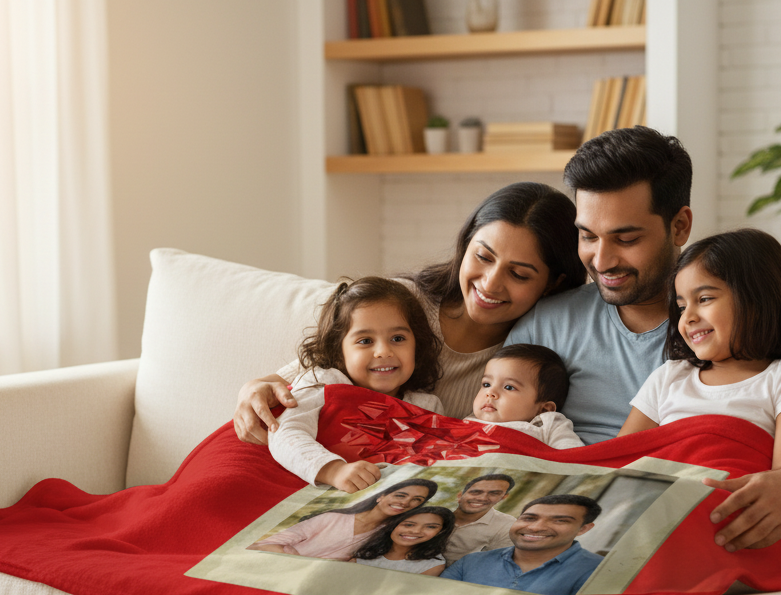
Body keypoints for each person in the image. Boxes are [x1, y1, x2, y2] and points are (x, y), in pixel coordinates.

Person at [506, 126, 781, 552]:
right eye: (587, 236)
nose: (601, 260)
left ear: (679, 225)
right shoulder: (544, 323)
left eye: (626, 238)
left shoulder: (757, 319)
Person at [234, 181, 587, 436]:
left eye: (519, 274)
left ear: (554, 283)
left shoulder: (529, 359)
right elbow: (300, 377)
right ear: (465, 245)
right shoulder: (401, 303)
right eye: (482, 256)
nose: (491, 283)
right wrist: (255, 388)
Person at [618, 229, 781, 470]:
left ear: (757, 300)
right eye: (681, 306)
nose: (688, 318)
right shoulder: (669, 377)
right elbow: (618, 459)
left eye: (705, 299)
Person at [268, 277, 443, 492]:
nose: (383, 352)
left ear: (418, 345)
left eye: (397, 338)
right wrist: (334, 470)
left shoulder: (427, 407)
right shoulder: (325, 382)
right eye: (365, 341)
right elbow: (283, 433)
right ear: (339, 353)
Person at [441, 495, 603, 595]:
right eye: (529, 518)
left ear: (583, 528)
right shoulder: (472, 561)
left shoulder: (600, 571)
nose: (535, 527)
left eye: (560, 520)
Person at [248, 479, 438, 561]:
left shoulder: (390, 537)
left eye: (416, 500)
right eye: (400, 495)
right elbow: (265, 544)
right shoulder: (332, 518)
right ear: (381, 496)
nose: (406, 502)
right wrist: (298, 564)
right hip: (279, 566)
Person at [465, 343, 583, 449]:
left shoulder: (547, 425)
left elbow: (573, 455)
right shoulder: (468, 423)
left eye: (509, 387)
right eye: (486, 384)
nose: (490, 393)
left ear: (544, 409)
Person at [349, 506, 456, 576]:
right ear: (393, 525)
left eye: (431, 527)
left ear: (440, 532)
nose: (415, 531)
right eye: (408, 524)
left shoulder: (433, 565)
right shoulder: (367, 550)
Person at [442, 473, 517, 566]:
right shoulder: (436, 513)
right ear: (460, 495)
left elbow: (495, 564)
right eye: (476, 492)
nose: (482, 498)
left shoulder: (507, 526)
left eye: (494, 493)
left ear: (503, 497)